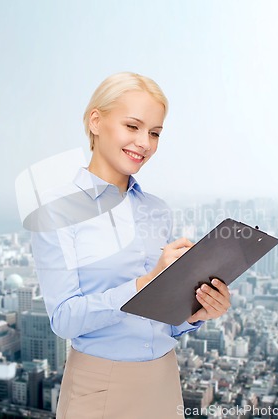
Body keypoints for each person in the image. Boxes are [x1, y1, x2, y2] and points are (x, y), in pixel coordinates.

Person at [30, 72, 231, 419]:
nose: (145, 143)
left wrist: (198, 312)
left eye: (154, 133)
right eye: (132, 126)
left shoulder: (156, 210)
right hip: (99, 385)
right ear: (96, 121)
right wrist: (143, 283)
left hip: (165, 382)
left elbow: (161, 320)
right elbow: (63, 319)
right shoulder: (57, 210)